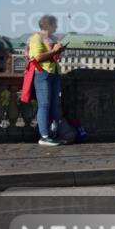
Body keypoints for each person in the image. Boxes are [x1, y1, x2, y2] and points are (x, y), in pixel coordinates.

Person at [28, 14, 65, 146]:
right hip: (42, 73)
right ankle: (44, 136)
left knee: (54, 105)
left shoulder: (51, 38)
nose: (56, 27)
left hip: (54, 73)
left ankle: (53, 134)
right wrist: (55, 51)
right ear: (47, 25)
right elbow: (36, 58)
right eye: (54, 24)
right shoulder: (36, 38)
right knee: (44, 105)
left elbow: (52, 55)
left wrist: (59, 51)